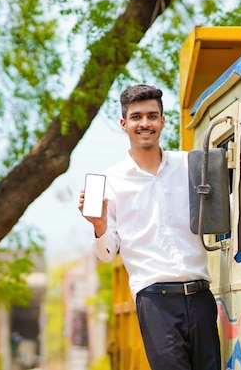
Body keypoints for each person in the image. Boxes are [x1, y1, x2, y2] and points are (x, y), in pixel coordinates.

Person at [78, 84, 221, 370]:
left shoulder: (191, 165)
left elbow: (225, 203)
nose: (145, 123)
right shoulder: (111, 181)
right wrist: (99, 225)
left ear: (162, 121)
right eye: (137, 117)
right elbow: (107, 254)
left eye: (152, 116)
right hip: (156, 302)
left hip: (202, 297)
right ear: (124, 124)